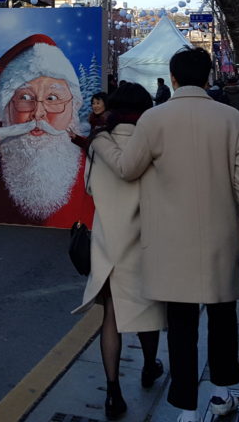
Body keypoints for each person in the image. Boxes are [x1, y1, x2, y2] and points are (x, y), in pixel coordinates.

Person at [110, 48, 239, 422]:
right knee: (223, 315)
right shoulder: (232, 118)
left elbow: (128, 169)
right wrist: (234, 215)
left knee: (181, 324)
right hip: (220, 235)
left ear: (172, 79)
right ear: (208, 77)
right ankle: (223, 393)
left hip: (170, 239)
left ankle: (186, 408)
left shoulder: (155, 119)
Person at [75, 83, 165, 421]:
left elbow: (87, 186)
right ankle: (148, 367)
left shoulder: (100, 144)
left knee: (110, 316)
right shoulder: (152, 143)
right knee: (148, 307)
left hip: (107, 239)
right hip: (143, 238)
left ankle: (113, 392)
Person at [0, 34, 88, 227]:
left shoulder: (91, 162)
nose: (38, 113)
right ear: (6, 110)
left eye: (53, 98)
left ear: (73, 106)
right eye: (25, 98)